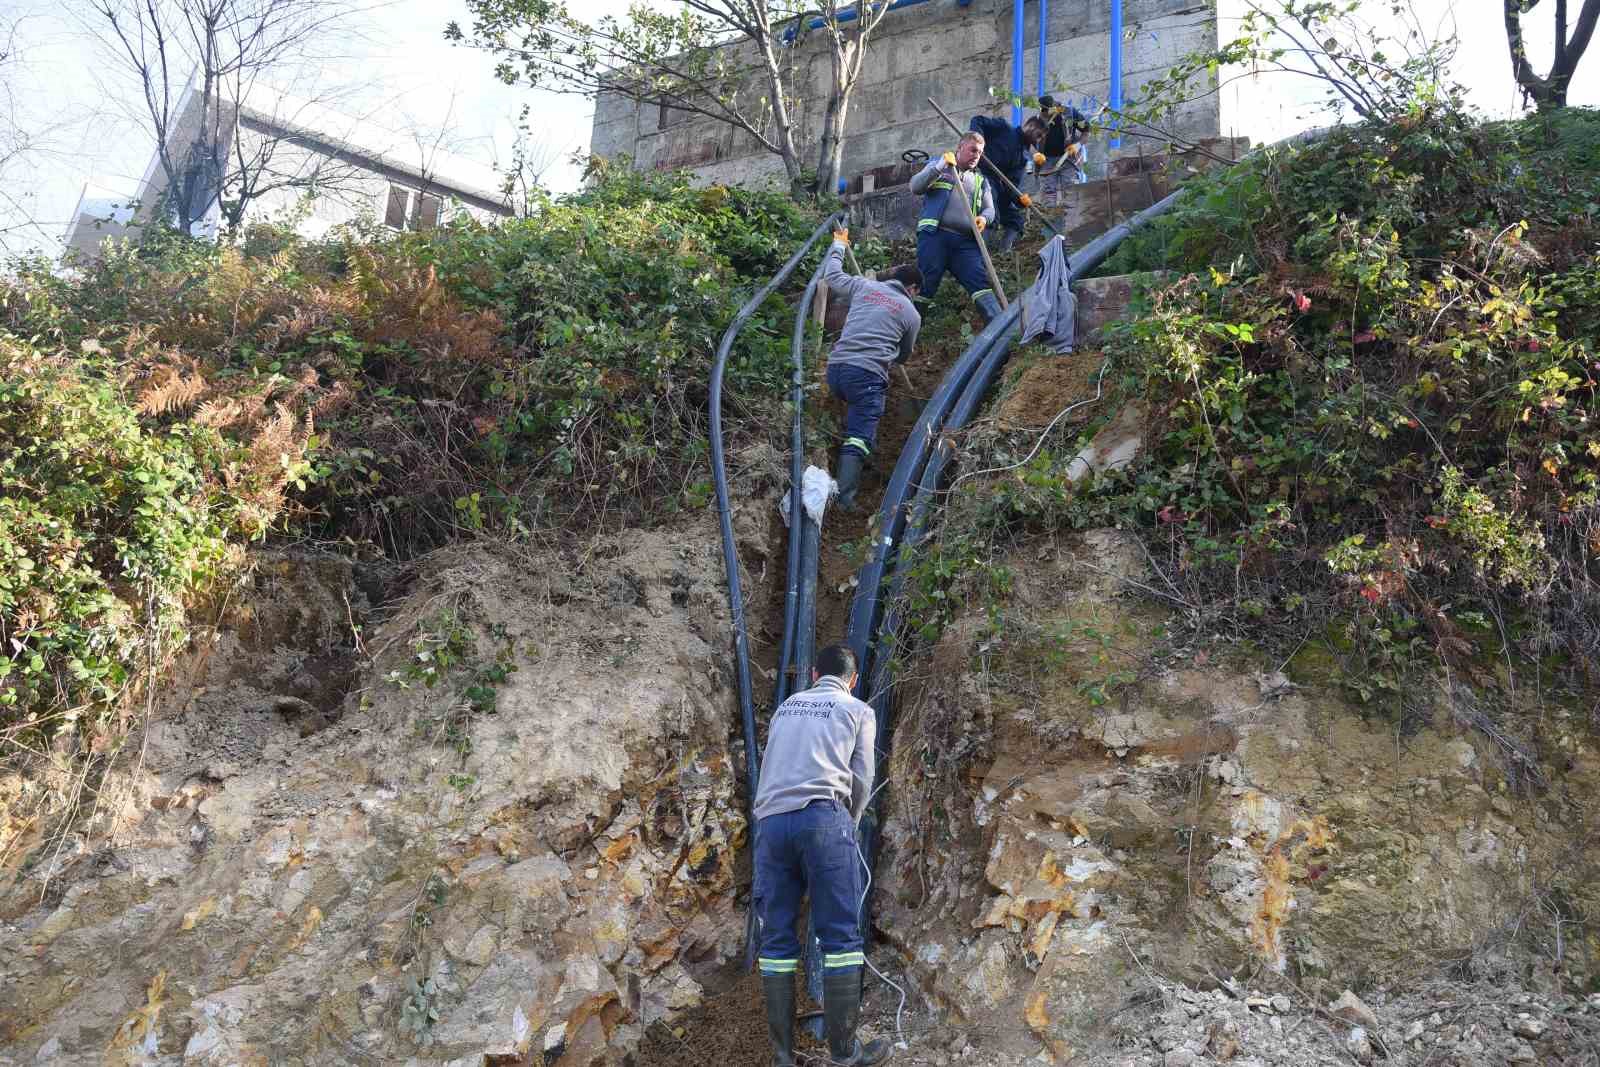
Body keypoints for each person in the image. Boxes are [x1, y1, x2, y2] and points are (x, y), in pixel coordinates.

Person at [753, 643, 891, 1067]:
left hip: (772, 824)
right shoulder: (857, 709)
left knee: (775, 939)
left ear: (814, 675)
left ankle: (782, 1057)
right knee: (841, 940)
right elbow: (862, 776)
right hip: (822, 818)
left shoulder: (787, 707)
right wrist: (848, 820)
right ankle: (845, 1053)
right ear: (852, 680)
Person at [822, 227, 922, 509]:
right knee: (859, 434)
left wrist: (839, 245)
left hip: (836, 368)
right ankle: (845, 499)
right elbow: (904, 356)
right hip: (865, 376)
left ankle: (866, 452)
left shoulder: (864, 286)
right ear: (912, 289)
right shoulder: (911, 313)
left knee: (862, 416)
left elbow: (831, 277)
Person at [908, 132, 1000, 323]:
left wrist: (984, 218)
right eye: (973, 150)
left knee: (979, 281)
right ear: (960, 148)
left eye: (980, 152)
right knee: (925, 283)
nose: (977, 155)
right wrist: (939, 166)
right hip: (935, 237)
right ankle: (909, 332)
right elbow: (915, 186)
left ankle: (999, 331)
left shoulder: (980, 180)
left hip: (965, 244)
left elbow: (990, 209)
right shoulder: (939, 167)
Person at [966, 113, 1047, 253]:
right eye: (1038, 135)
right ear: (1031, 126)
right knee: (991, 211)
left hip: (998, 186)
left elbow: (1011, 186)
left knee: (1016, 220)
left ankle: (1003, 252)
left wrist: (1021, 200)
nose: (1038, 140)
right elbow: (977, 120)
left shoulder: (1022, 156)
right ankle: (979, 255)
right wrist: (978, 144)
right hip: (981, 175)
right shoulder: (1004, 128)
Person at [1038, 95, 1092, 185]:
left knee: (1070, 190)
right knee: (1048, 192)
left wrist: (1077, 145)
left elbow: (1087, 131)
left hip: (1069, 158)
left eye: (1047, 112)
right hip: (1047, 161)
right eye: (1043, 112)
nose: (1045, 115)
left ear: (1054, 108)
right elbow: (1030, 141)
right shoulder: (1038, 119)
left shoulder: (1069, 113)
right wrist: (1036, 154)